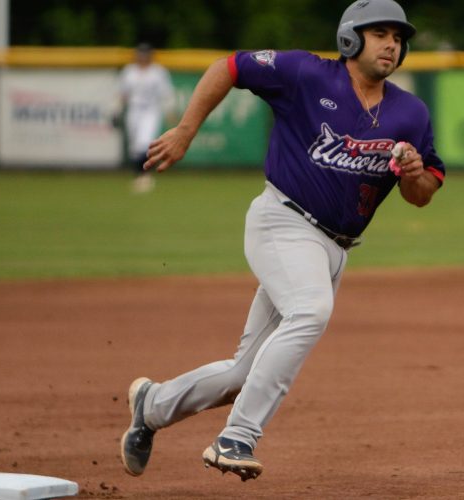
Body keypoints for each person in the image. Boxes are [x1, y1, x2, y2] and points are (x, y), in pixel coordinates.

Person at [120, 0, 446, 482]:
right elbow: (228, 66)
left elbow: (423, 194)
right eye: (380, 33)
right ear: (350, 39)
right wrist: (186, 132)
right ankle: (239, 435)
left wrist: (415, 174)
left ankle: (153, 405)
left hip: (335, 250)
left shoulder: (409, 112)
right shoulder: (305, 75)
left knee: (238, 375)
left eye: (398, 37)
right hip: (283, 222)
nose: (391, 44)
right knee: (311, 311)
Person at [117, 43, 176, 193]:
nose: (143, 57)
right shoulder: (129, 71)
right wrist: (115, 110)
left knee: (145, 143)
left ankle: (144, 176)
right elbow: (122, 94)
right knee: (134, 148)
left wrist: (170, 112)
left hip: (151, 110)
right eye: (140, 54)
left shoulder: (158, 72)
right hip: (134, 110)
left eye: (145, 54)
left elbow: (166, 94)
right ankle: (139, 176)